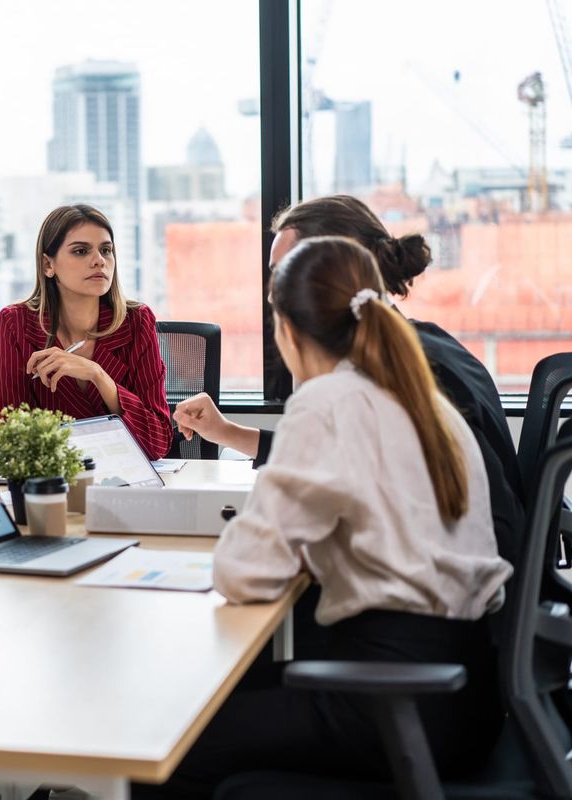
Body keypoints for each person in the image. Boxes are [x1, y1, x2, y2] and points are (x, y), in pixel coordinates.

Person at [136, 236, 513, 798]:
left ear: (286, 331)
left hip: (392, 699)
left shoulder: (328, 402)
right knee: (210, 704)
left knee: (160, 741)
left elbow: (243, 572)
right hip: (466, 694)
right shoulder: (425, 399)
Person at [173, 195, 524, 567]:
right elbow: (329, 457)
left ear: (332, 271)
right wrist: (227, 432)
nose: (274, 294)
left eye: (283, 273)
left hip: (457, 583)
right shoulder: (418, 345)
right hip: (477, 578)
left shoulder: (389, 378)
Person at [0, 205, 172, 460]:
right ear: (47, 264)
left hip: (127, 478)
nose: (99, 260)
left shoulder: (137, 321)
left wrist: (98, 375)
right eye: (81, 251)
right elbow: (15, 440)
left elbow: (158, 441)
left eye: (106, 250)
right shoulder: (16, 323)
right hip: (56, 477)